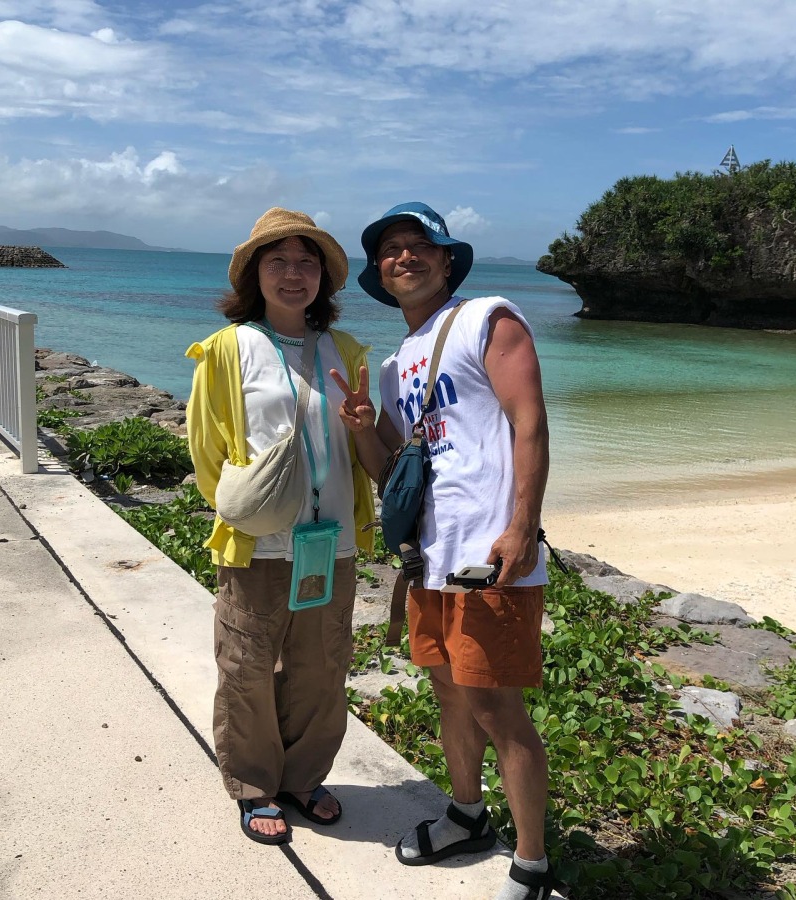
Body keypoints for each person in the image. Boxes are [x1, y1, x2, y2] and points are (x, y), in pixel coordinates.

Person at [331, 202, 554, 900]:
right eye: (390, 249)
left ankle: (532, 864)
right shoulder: (397, 363)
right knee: (449, 694)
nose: (404, 256)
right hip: (430, 557)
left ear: (447, 259)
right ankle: (466, 814)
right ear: (379, 273)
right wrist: (365, 428)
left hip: (492, 556)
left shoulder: (490, 317)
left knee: (496, 706)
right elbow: (394, 469)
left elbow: (529, 421)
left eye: (419, 245)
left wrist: (522, 524)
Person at [185, 208, 375, 845]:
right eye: (279, 262)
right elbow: (206, 449)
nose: (294, 275)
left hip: (333, 543)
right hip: (260, 543)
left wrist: (366, 424)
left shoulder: (345, 351)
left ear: (323, 276)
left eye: (306, 262)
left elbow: (360, 444)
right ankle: (253, 783)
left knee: (322, 665)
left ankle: (304, 776)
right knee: (246, 663)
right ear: (255, 276)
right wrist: (246, 508)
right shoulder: (226, 350)